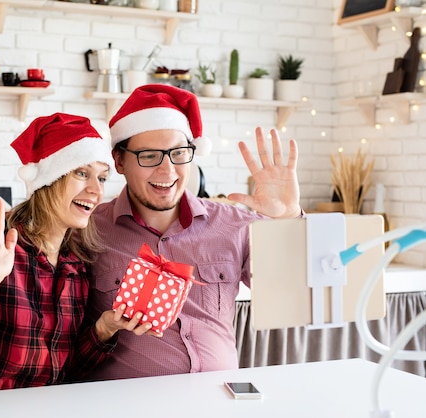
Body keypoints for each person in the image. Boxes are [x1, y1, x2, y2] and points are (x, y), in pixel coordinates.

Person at [0, 113, 151, 396]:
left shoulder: (74, 264)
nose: (96, 191)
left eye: (102, 178)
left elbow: (67, 372)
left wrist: (104, 329)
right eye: (82, 173)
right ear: (49, 179)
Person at [83, 84, 302, 381]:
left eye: (178, 153)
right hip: (128, 403)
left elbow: (293, 296)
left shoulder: (234, 224)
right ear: (119, 161)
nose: (167, 171)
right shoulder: (86, 229)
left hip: (219, 399)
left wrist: (289, 220)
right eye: (149, 156)